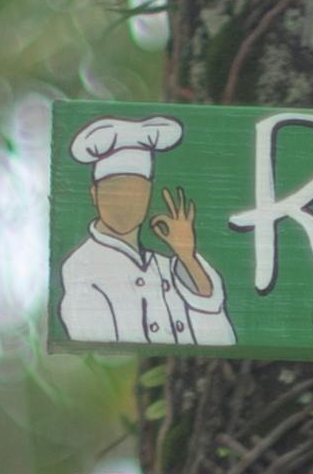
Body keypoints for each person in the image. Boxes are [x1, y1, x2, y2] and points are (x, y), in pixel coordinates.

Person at [60, 112, 233, 346]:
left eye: (136, 191)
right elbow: (92, 334)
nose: (125, 202)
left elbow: (220, 336)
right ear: (95, 194)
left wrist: (187, 256)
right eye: (115, 190)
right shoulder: (82, 266)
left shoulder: (163, 264)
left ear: (148, 193)